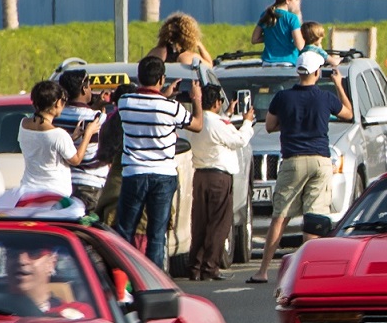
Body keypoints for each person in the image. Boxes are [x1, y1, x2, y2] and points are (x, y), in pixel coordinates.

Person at [253, 48, 352, 282]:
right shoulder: (325, 98)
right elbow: (347, 114)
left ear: (299, 72)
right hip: (320, 160)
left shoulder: (282, 97)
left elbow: (269, 126)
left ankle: (263, 270)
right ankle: (309, 271)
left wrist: (289, 125)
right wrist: (338, 84)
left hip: (293, 160)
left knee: (280, 215)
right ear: (317, 72)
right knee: (314, 217)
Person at [112, 53, 204, 265]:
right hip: (163, 175)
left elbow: (146, 101)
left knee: (126, 229)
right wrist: (196, 98)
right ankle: (154, 280)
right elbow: (197, 125)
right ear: (161, 79)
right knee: (157, 232)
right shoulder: (171, 108)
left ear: (138, 77)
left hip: (133, 173)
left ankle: (123, 274)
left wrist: (163, 93)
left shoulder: (125, 103)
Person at [184, 87, 250, 281]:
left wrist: (228, 116)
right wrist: (247, 122)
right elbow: (239, 140)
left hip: (200, 174)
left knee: (200, 222)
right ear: (217, 103)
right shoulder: (217, 123)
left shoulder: (194, 121)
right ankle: (210, 266)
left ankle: (195, 265)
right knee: (219, 223)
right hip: (219, 177)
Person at [17, 79, 100, 199]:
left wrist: (72, 138)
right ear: (57, 103)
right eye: (64, 101)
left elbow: (45, 146)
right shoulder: (59, 135)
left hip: (27, 190)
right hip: (54, 194)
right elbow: (75, 160)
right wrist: (88, 133)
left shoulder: (23, 124)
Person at [52, 69, 108, 209]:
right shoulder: (97, 118)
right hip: (91, 185)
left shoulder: (55, 117)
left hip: (64, 184)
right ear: (84, 89)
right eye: (89, 86)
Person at [256, 0, 304, 64]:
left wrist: (272, 37)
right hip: (287, 62)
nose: (299, 3)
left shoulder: (266, 14)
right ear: (288, 0)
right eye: (297, 0)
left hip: (267, 63)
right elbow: (300, 45)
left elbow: (255, 39)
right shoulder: (292, 18)